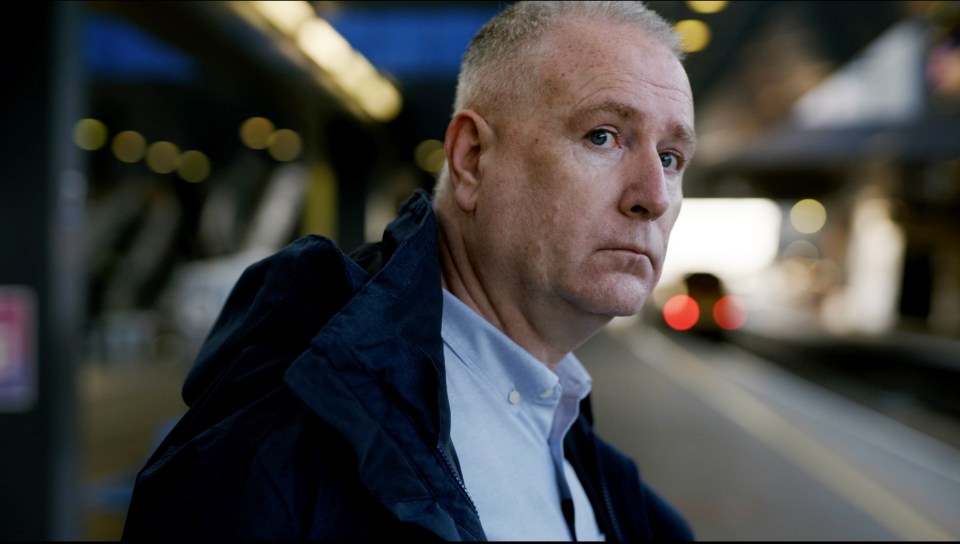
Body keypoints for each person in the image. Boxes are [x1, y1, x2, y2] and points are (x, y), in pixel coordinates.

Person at [121, 1, 697, 541]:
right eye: (603, 136)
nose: (652, 195)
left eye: (670, 158)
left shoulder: (573, 440)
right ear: (472, 159)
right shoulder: (280, 446)